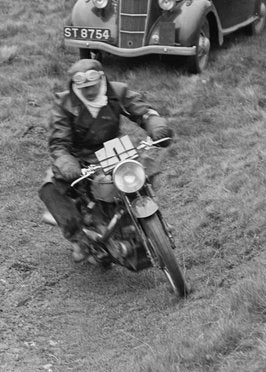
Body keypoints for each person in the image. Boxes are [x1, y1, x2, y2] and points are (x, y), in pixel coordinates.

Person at [38, 58, 173, 262]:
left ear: (101, 78)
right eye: (84, 88)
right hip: (79, 155)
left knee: (142, 169)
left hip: (113, 146)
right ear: (75, 85)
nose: (90, 91)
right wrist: (65, 160)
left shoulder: (117, 91)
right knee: (50, 188)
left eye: (93, 85)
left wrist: (155, 124)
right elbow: (58, 142)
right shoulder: (63, 104)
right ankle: (79, 240)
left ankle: (152, 220)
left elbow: (143, 111)